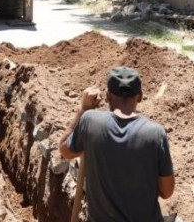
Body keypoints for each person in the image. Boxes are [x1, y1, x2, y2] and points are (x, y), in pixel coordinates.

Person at [59, 67, 175, 222]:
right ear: (140, 96)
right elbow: (167, 192)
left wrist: (83, 109)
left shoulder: (90, 120)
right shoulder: (155, 133)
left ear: (107, 96)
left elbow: (65, 151)